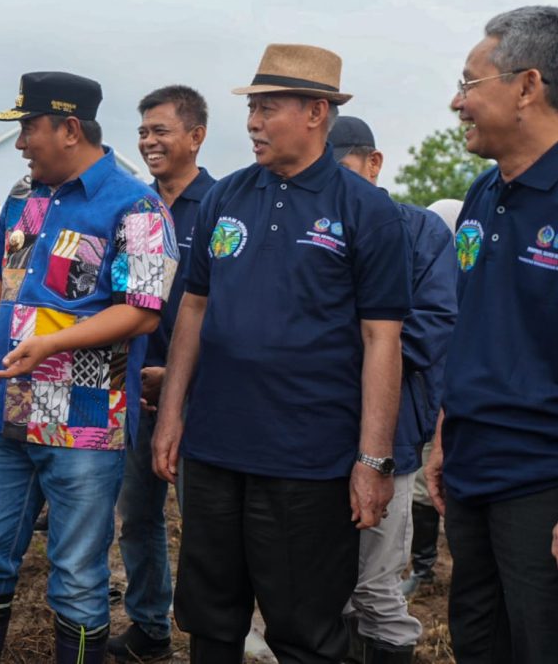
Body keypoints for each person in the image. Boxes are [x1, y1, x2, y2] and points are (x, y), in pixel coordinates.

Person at [152, 44, 412, 664]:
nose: (253, 122)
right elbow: (194, 307)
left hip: (308, 460)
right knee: (210, 620)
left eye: (268, 108)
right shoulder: (227, 197)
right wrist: (171, 414)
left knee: (304, 630)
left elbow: (383, 339)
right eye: (252, 109)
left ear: (316, 112)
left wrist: (372, 459)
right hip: (216, 450)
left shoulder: (365, 210)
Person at [0, 71, 178, 664]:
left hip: (86, 422)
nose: (19, 144)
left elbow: (142, 313)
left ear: (68, 129)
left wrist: (51, 345)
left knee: (78, 575)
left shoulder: (135, 205)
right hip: (5, 410)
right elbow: (1, 277)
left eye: (28, 129)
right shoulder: (25, 194)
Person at [425, 5, 558, 663]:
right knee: (478, 643)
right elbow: (476, 322)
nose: (456, 101)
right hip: (471, 472)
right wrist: (446, 431)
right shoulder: (482, 193)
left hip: (551, 485)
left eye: (469, 83)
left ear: (527, 86)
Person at [331, 116, 457, 664]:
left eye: (340, 167)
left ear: (373, 163)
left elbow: (430, 331)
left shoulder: (419, 232)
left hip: (392, 436)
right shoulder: (309, 230)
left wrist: (323, 356)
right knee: (321, 590)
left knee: (375, 588)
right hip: (309, 437)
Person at [109, 85, 216, 661]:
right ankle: (150, 626)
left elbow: (225, 310)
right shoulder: (134, 208)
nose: (149, 141)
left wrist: (175, 375)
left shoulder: (224, 206)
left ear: (196, 137)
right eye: (144, 131)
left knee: (202, 521)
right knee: (138, 516)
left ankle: (207, 631)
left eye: (161, 131)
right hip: (134, 390)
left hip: (201, 395)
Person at [400, 197, 463, 598]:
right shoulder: (431, 279)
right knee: (424, 487)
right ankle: (424, 567)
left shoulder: (472, 282)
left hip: (459, 400)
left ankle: (459, 563)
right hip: (433, 399)